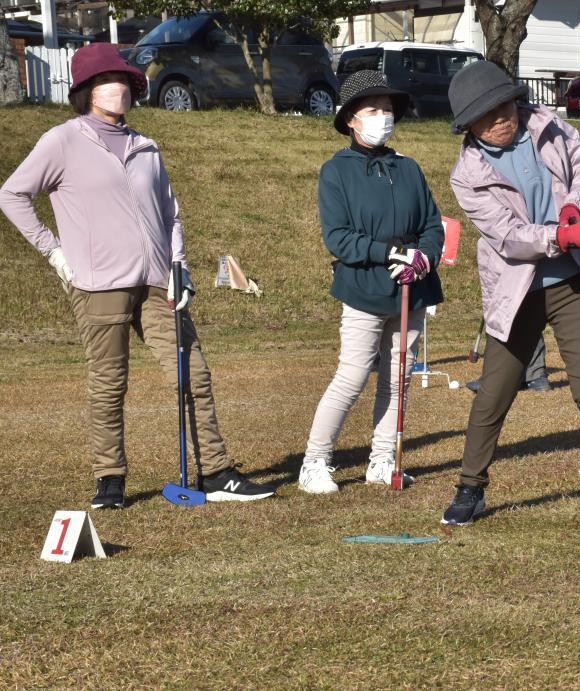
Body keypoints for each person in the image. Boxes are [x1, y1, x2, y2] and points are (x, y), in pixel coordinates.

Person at [0, 43, 274, 507]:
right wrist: (55, 253)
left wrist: (178, 268)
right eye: (108, 80)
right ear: (86, 90)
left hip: (158, 283)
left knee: (194, 374)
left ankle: (216, 472)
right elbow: (12, 195)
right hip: (97, 286)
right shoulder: (62, 140)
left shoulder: (145, 146)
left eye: (125, 81)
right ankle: (110, 480)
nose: (119, 88)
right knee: (109, 383)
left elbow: (171, 215)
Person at [442, 60, 580, 527]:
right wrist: (556, 237)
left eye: (505, 105)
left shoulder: (550, 127)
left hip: (574, 281)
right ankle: (470, 487)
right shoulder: (466, 174)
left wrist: (573, 208)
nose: (502, 118)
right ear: (470, 126)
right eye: (488, 115)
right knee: (495, 393)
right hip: (517, 288)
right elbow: (506, 235)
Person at [297, 70, 444, 494]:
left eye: (388, 110)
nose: (384, 117)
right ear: (351, 120)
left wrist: (422, 257)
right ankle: (315, 462)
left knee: (399, 378)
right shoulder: (336, 171)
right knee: (352, 376)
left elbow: (433, 225)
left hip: (411, 289)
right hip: (364, 289)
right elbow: (338, 237)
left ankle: (382, 460)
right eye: (373, 110)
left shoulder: (409, 167)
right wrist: (388, 253)